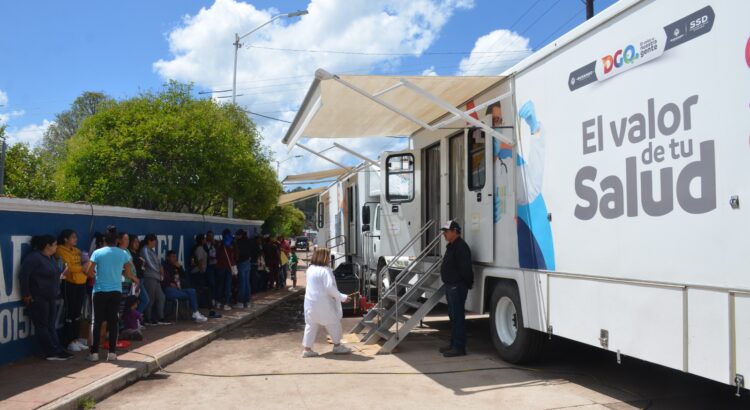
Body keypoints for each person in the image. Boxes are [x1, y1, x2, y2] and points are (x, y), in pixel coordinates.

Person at [86, 226, 139, 362]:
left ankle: (94, 353)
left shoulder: (97, 253)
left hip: (99, 291)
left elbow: (89, 272)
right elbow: (127, 273)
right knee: (113, 321)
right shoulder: (123, 254)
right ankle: (112, 353)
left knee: (97, 321)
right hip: (116, 291)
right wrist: (118, 273)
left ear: (105, 239)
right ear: (117, 240)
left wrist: (98, 274)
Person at [19, 235, 72, 361]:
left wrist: (63, 274)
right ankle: (51, 352)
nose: (56, 247)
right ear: (48, 246)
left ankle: (57, 349)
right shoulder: (34, 258)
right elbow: (24, 276)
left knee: (50, 325)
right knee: (42, 325)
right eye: (54, 244)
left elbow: (55, 275)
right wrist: (26, 294)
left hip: (51, 297)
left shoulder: (50, 258)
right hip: (38, 298)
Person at [301, 248, 352, 358]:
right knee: (333, 323)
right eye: (328, 256)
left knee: (311, 325)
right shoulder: (325, 270)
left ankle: (307, 349)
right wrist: (342, 297)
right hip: (323, 302)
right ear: (323, 257)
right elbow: (329, 287)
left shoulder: (310, 269)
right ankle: (337, 346)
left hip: (310, 302)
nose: (329, 258)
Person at [438, 220, 474, 357]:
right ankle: (453, 344)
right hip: (450, 286)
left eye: (446, 232)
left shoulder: (461, 247)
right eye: (444, 232)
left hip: (457, 286)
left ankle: (459, 347)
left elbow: (466, 269)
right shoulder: (451, 246)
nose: (444, 234)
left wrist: (466, 283)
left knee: (458, 317)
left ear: (454, 231)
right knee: (452, 316)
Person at [56, 229, 88, 353]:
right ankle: (69, 341)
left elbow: (86, 263)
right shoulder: (60, 250)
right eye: (73, 237)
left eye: (76, 237)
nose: (76, 239)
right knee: (70, 312)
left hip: (81, 283)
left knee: (77, 313)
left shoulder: (77, 251)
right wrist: (81, 267)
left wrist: (82, 267)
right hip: (69, 284)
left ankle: (76, 338)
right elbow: (68, 268)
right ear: (65, 239)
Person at [162, 250, 208, 322]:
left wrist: (180, 267)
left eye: (175, 257)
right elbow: (163, 280)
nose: (174, 259)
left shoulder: (176, 266)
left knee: (192, 291)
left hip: (178, 289)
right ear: (168, 258)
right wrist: (170, 284)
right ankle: (195, 312)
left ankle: (195, 312)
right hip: (169, 290)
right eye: (173, 257)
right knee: (190, 295)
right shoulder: (165, 266)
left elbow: (184, 276)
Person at [140, 234, 170, 326]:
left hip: (156, 277)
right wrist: (158, 269)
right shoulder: (145, 249)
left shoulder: (152, 251)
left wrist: (160, 269)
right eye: (154, 241)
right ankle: (147, 319)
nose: (156, 242)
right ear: (149, 241)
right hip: (149, 277)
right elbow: (149, 263)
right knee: (150, 298)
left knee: (161, 297)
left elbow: (157, 262)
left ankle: (160, 317)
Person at [215, 229, 237, 311]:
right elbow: (233, 257)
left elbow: (217, 256)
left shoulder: (220, 245)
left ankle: (218, 302)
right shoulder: (231, 245)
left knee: (220, 285)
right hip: (229, 267)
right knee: (228, 285)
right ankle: (227, 303)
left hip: (220, 267)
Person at [127, 236, 150, 315]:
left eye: (138, 242)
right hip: (134, 281)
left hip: (141, 280)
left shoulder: (137, 253)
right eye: (135, 242)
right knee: (144, 300)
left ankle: (136, 319)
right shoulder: (129, 253)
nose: (137, 244)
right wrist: (134, 278)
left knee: (139, 301)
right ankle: (134, 319)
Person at [234, 229, 252, 308]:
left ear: (240, 235)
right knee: (247, 283)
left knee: (242, 282)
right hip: (248, 262)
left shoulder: (238, 242)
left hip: (241, 263)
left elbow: (237, 253)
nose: (236, 236)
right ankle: (247, 301)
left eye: (237, 235)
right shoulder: (248, 241)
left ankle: (240, 302)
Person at [204, 231, 218, 308]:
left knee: (215, 282)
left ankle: (214, 298)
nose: (211, 237)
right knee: (210, 283)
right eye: (209, 236)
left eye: (212, 236)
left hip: (215, 265)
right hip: (208, 266)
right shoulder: (205, 245)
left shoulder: (215, 244)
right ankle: (210, 299)